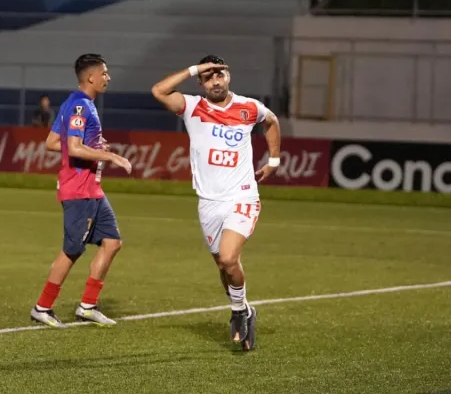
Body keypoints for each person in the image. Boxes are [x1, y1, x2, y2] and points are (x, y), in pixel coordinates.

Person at [150, 55, 281, 352]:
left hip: (242, 196)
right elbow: (158, 91)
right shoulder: (193, 107)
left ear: (229, 76)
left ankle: (238, 313)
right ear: (201, 82)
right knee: (223, 268)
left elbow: (271, 121)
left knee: (228, 258)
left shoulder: (249, 107)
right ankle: (246, 309)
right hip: (208, 202)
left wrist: (273, 160)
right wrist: (194, 68)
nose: (215, 81)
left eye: (219, 74)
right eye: (209, 77)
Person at [30, 54, 133, 328]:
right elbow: (72, 148)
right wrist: (109, 156)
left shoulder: (74, 104)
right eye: (105, 73)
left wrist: (95, 145)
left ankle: (87, 306)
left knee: (112, 242)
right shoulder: (79, 107)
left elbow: (52, 142)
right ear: (91, 77)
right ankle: (42, 307)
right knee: (72, 249)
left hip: (93, 189)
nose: (108, 78)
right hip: (78, 189)